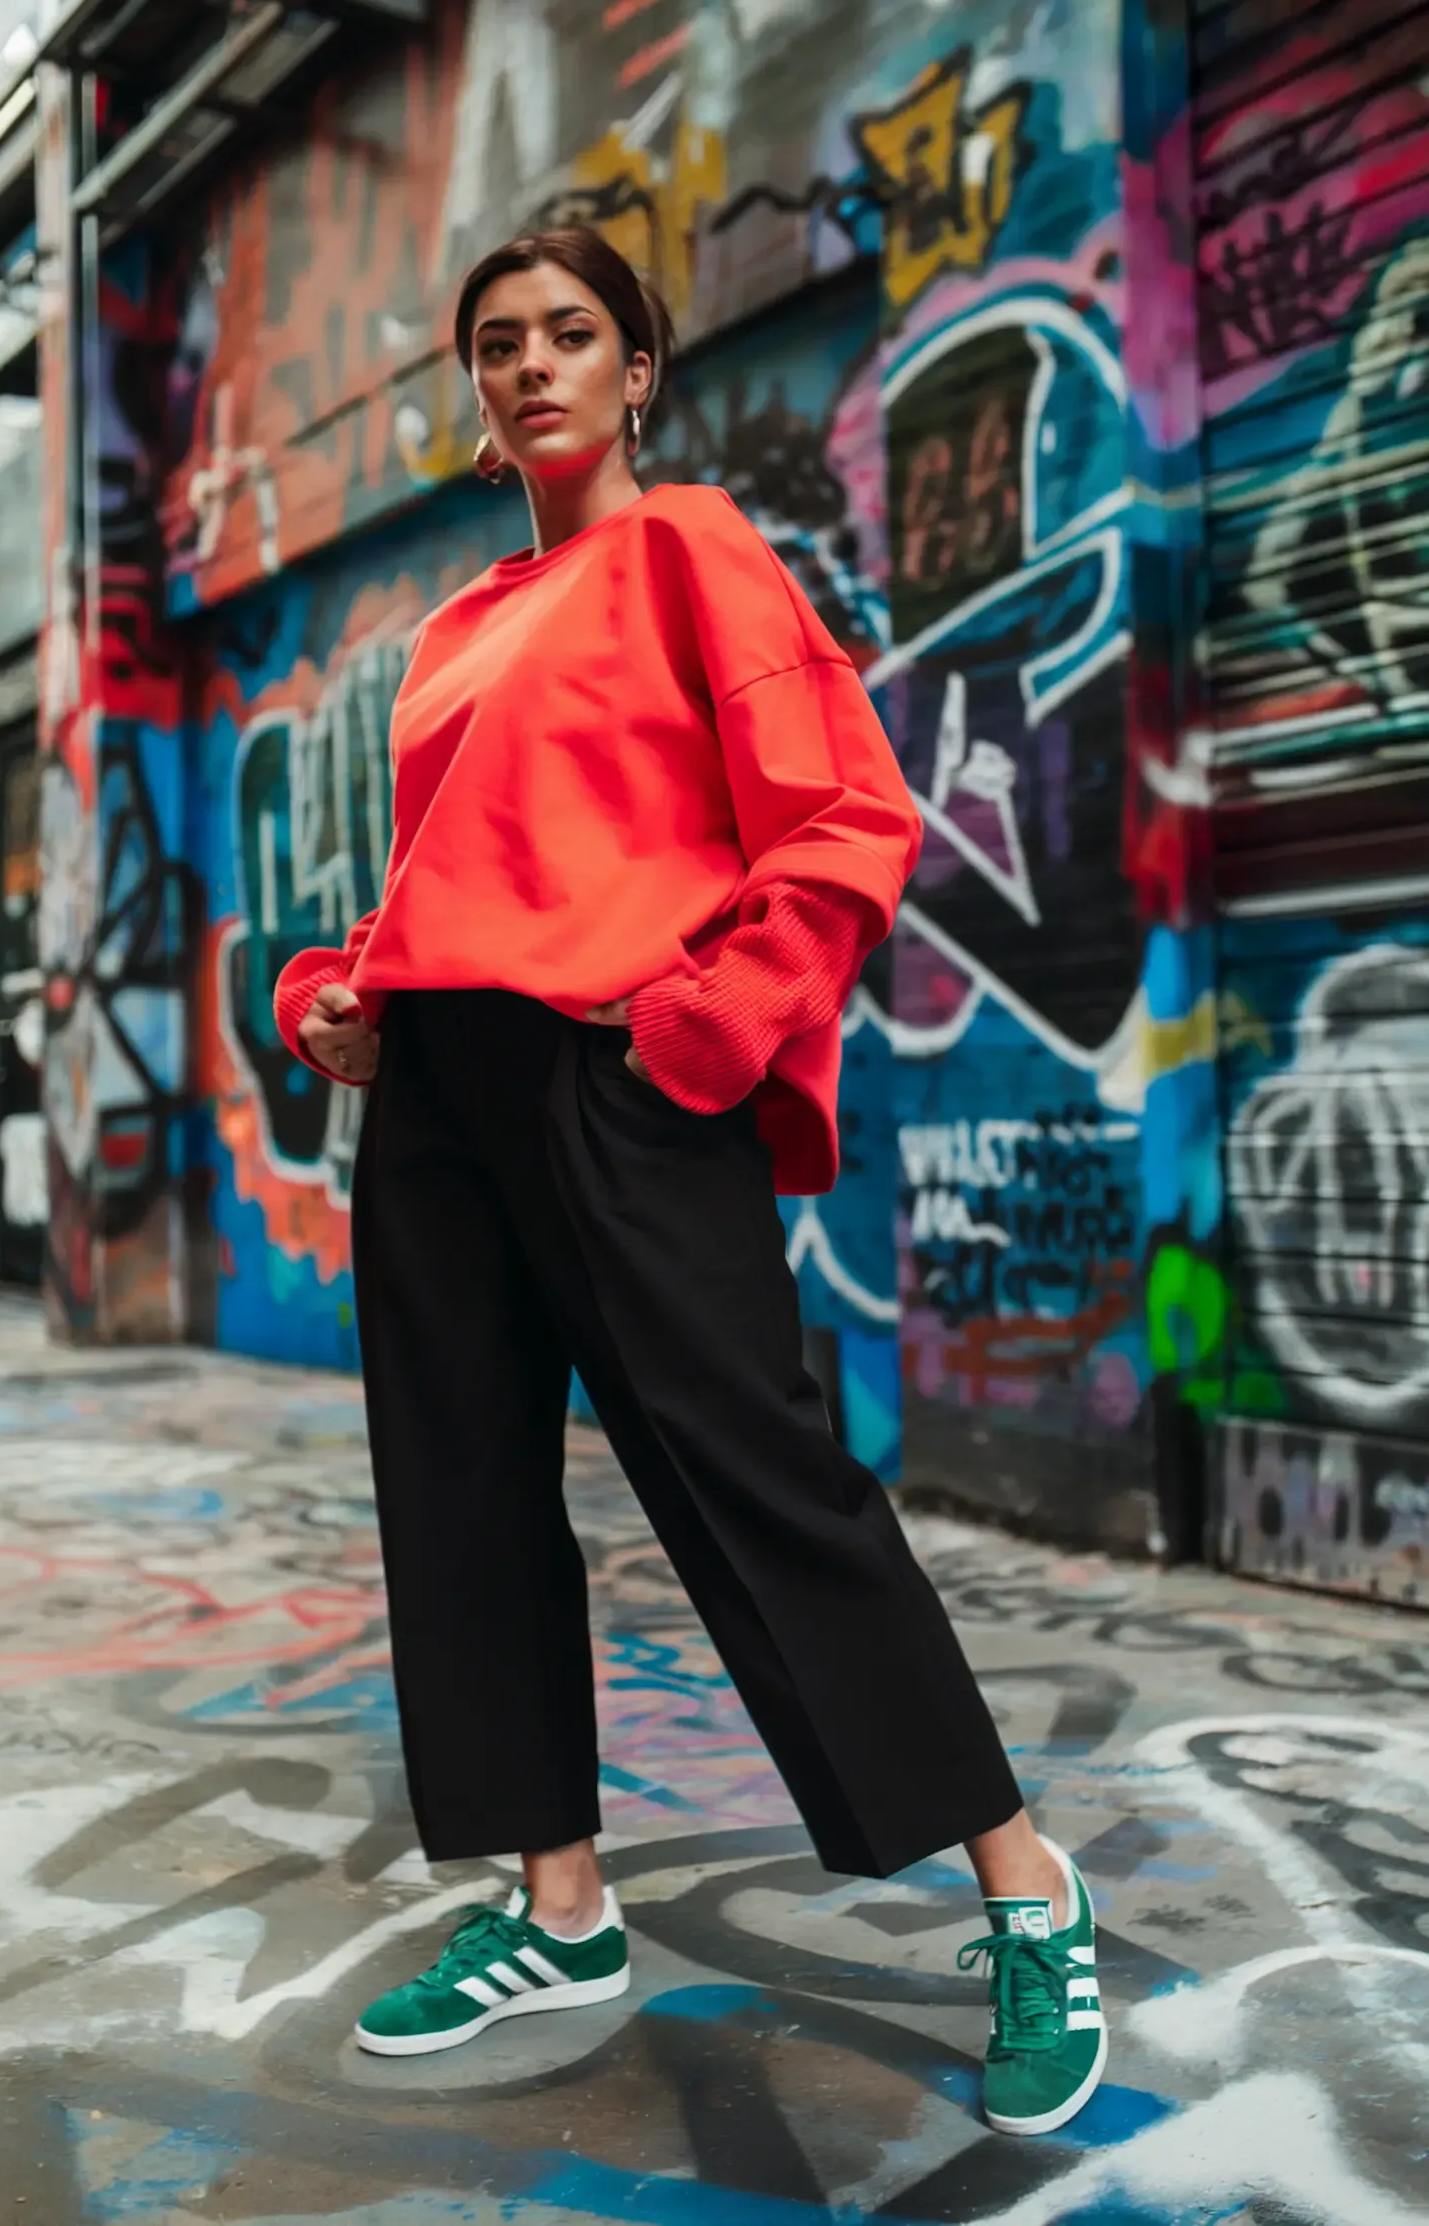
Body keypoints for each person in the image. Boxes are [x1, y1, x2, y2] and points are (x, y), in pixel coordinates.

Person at [273, 226, 1106, 2137]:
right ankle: (559, 1907)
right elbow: (450, 884)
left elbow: (846, 818)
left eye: (572, 333)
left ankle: (1025, 1882)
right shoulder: (455, 627)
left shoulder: (694, 552)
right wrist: (349, 992)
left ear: (637, 366)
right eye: (498, 344)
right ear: (477, 391)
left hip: (619, 1078)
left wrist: (708, 1031)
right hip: (443, 1103)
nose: (534, 365)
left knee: (757, 1474)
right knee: (462, 1494)